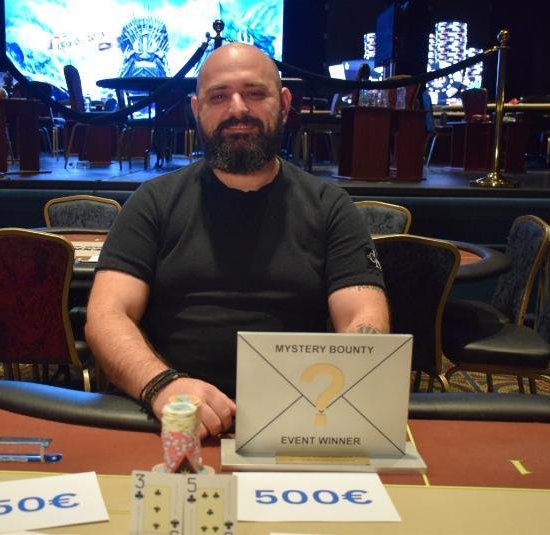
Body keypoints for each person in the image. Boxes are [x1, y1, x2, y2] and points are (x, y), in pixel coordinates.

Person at [85, 43, 389, 439]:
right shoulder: (153, 202)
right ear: (197, 110)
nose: (238, 108)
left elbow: (363, 318)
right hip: (170, 415)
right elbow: (107, 315)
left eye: (255, 93)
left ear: (284, 104)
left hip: (296, 421)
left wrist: (330, 401)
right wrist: (163, 385)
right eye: (218, 97)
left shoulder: (330, 206)